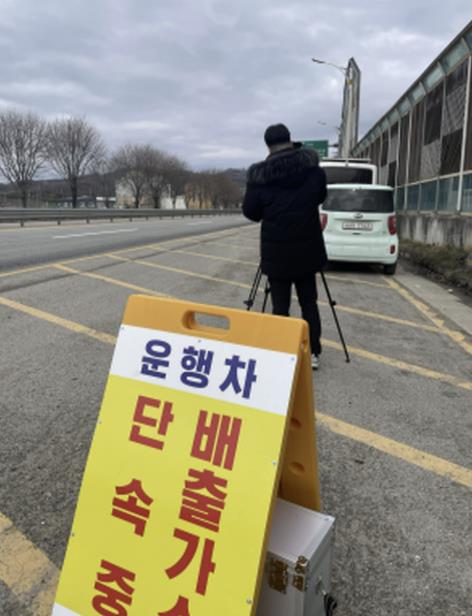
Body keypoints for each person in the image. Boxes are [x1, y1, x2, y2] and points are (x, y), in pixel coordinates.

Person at [242, 123, 328, 370]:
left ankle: (282, 351)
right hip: (307, 249)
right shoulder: (312, 170)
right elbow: (321, 196)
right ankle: (312, 351)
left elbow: (251, 212)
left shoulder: (260, 176)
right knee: (309, 302)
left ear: (268, 145)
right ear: (290, 140)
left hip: (276, 252)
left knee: (280, 305)